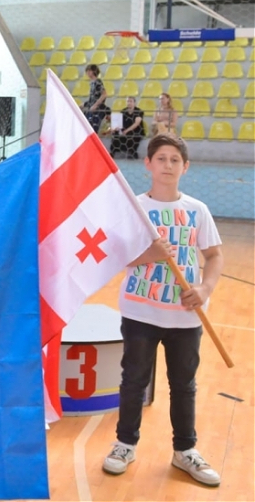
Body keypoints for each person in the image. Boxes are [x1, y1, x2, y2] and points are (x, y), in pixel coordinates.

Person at [102, 134, 223, 487]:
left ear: (185, 167)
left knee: (183, 384)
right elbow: (117, 257)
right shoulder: (135, 209)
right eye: (161, 158)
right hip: (140, 312)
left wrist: (205, 288)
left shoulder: (197, 210)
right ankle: (125, 444)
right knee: (133, 380)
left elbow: (214, 255)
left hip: (185, 316)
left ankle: (185, 449)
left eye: (175, 160)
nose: (167, 165)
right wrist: (150, 256)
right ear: (148, 164)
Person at [82, 64, 108, 133]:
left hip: (97, 110)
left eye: (89, 70)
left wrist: (95, 105)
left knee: (92, 130)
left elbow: (104, 94)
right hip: (92, 109)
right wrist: (82, 105)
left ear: (94, 71)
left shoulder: (97, 82)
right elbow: (92, 99)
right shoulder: (92, 83)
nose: (87, 72)